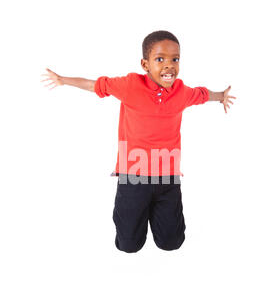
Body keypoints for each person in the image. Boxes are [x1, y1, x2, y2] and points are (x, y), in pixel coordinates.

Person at [41, 30, 236, 253]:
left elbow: (203, 94)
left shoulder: (181, 92)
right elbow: (95, 85)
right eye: (160, 59)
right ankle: (134, 219)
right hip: (134, 176)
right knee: (129, 246)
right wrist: (63, 80)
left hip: (167, 177)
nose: (169, 65)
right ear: (145, 64)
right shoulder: (130, 85)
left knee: (171, 244)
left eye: (175, 59)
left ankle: (158, 215)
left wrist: (221, 96)